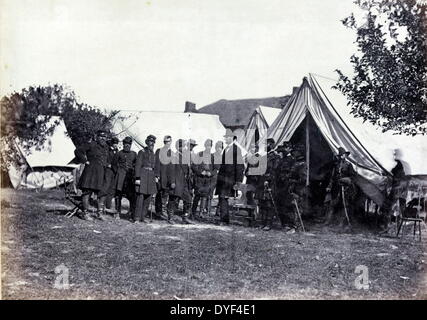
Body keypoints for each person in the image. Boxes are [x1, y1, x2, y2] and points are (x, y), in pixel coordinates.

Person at [74, 130, 111, 221]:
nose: (103, 138)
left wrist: (107, 164)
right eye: (101, 136)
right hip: (90, 172)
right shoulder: (91, 144)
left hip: (101, 173)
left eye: (105, 137)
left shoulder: (106, 147)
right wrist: (84, 160)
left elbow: (108, 158)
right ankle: (85, 213)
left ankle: (99, 213)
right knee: (87, 192)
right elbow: (78, 151)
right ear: (97, 137)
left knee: (102, 193)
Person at [215, 129, 245, 225]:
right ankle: (224, 219)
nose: (225, 139)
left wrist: (238, 182)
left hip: (230, 180)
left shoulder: (236, 149)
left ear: (232, 138)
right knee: (222, 198)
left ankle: (224, 220)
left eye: (227, 137)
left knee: (223, 198)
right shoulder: (226, 149)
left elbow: (240, 166)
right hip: (222, 179)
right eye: (225, 137)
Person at [324, 147, 356, 227]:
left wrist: (346, 180)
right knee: (332, 203)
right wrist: (329, 186)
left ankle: (341, 222)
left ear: (345, 156)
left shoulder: (349, 165)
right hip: (336, 187)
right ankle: (328, 221)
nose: (341, 156)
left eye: (343, 155)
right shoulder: (336, 165)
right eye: (340, 155)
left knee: (344, 204)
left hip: (345, 188)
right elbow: (332, 176)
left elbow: (353, 177)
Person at [255, 138, 280, 231]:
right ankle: (262, 222)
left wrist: (268, 180)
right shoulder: (265, 156)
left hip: (270, 183)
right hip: (262, 182)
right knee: (262, 203)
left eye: (267, 145)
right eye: (265, 145)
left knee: (269, 203)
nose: (266, 146)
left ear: (272, 145)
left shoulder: (275, 157)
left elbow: (275, 171)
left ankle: (268, 224)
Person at [167, 139, 193, 224]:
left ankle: (185, 217)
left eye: (185, 146)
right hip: (177, 181)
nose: (185, 148)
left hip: (184, 182)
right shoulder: (174, 156)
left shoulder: (186, 156)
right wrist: (172, 182)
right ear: (178, 147)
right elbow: (171, 170)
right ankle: (170, 218)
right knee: (173, 200)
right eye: (183, 146)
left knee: (188, 199)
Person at [133, 135, 158, 224]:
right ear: (147, 142)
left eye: (153, 142)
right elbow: (138, 165)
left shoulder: (153, 154)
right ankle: (136, 218)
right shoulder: (141, 152)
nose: (152, 144)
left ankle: (143, 217)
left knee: (148, 198)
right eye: (150, 142)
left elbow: (156, 167)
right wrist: (138, 178)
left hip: (150, 177)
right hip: (143, 175)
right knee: (140, 197)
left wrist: (156, 177)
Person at [113, 136, 137, 219]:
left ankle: (131, 212)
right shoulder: (119, 153)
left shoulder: (134, 154)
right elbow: (114, 164)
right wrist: (118, 172)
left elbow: (136, 164)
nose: (127, 146)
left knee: (132, 196)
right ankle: (117, 212)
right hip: (120, 178)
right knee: (118, 195)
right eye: (125, 144)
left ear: (130, 145)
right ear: (123, 144)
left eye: (129, 144)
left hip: (130, 178)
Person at [191, 139, 215, 220]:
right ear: (205, 146)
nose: (209, 147)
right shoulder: (199, 154)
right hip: (200, 178)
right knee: (197, 196)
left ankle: (201, 213)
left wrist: (210, 173)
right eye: (207, 145)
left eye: (210, 146)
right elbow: (193, 166)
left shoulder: (212, 157)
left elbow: (215, 169)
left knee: (205, 196)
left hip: (208, 180)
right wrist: (201, 172)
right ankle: (193, 212)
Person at [275, 142, 295, 229]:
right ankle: (283, 223)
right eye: (284, 148)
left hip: (286, 184)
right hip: (279, 184)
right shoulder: (282, 159)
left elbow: (292, 172)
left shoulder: (291, 159)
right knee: (280, 204)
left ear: (290, 149)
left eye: (286, 148)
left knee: (287, 204)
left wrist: (286, 179)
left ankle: (289, 224)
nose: (285, 149)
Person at [154, 135, 173, 220]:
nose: (167, 143)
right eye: (165, 142)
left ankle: (163, 210)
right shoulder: (159, 151)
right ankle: (158, 211)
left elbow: (172, 167)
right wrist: (156, 175)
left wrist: (172, 179)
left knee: (165, 194)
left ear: (171, 142)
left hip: (168, 178)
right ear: (163, 142)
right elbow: (157, 163)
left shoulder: (172, 153)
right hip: (161, 176)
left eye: (168, 142)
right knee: (159, 194)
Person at [103, 136, 119, 212]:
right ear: (112, 143)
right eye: (114, 143)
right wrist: (107, 165)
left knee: (112, 188)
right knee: (106, 186)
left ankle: (108, 205)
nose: (115, 145)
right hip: (108, 170)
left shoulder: (117, 151)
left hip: (114, 171)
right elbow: (104, 160)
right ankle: (102, 204)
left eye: (116, 143)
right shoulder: (107, 150)